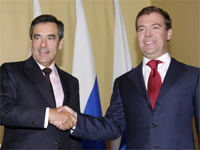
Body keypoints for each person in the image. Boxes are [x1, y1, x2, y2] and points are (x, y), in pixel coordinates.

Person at [52, 6, 200, 149]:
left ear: (168, 33)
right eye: (142, 29)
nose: (147, 34)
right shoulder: (124, 82)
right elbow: (112, 126)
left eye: (155, 27)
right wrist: (76, 120)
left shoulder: (193, 76)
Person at [0, 14, 81, 149]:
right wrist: (48, 114)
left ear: (60, 43)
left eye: (50, 38)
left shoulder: (71, 82)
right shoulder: (11, 71)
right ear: (31, 42)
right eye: (37, 38)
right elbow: (2, 111)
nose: (43, 44)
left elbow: (73, 130)